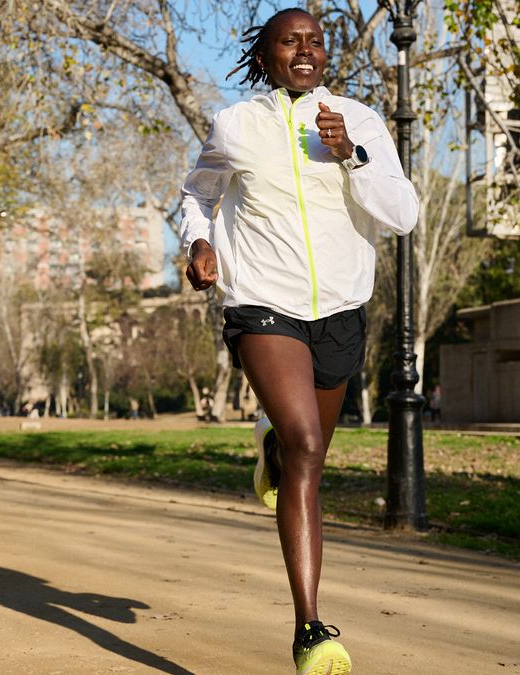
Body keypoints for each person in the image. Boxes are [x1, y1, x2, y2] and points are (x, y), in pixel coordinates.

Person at [180, 8, 418, 673]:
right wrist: (197, 242)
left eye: (317, 41)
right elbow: (198, 196)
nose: (307, 50)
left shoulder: (360, 121)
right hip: (262, 303)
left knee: (302, 458)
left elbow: (402, 215)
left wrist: (352, 158)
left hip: (340, 310)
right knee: (308, 445)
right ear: (268, 54)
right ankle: (311, 628)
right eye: (292, 41)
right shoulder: (237, 124)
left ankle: (274, 451)